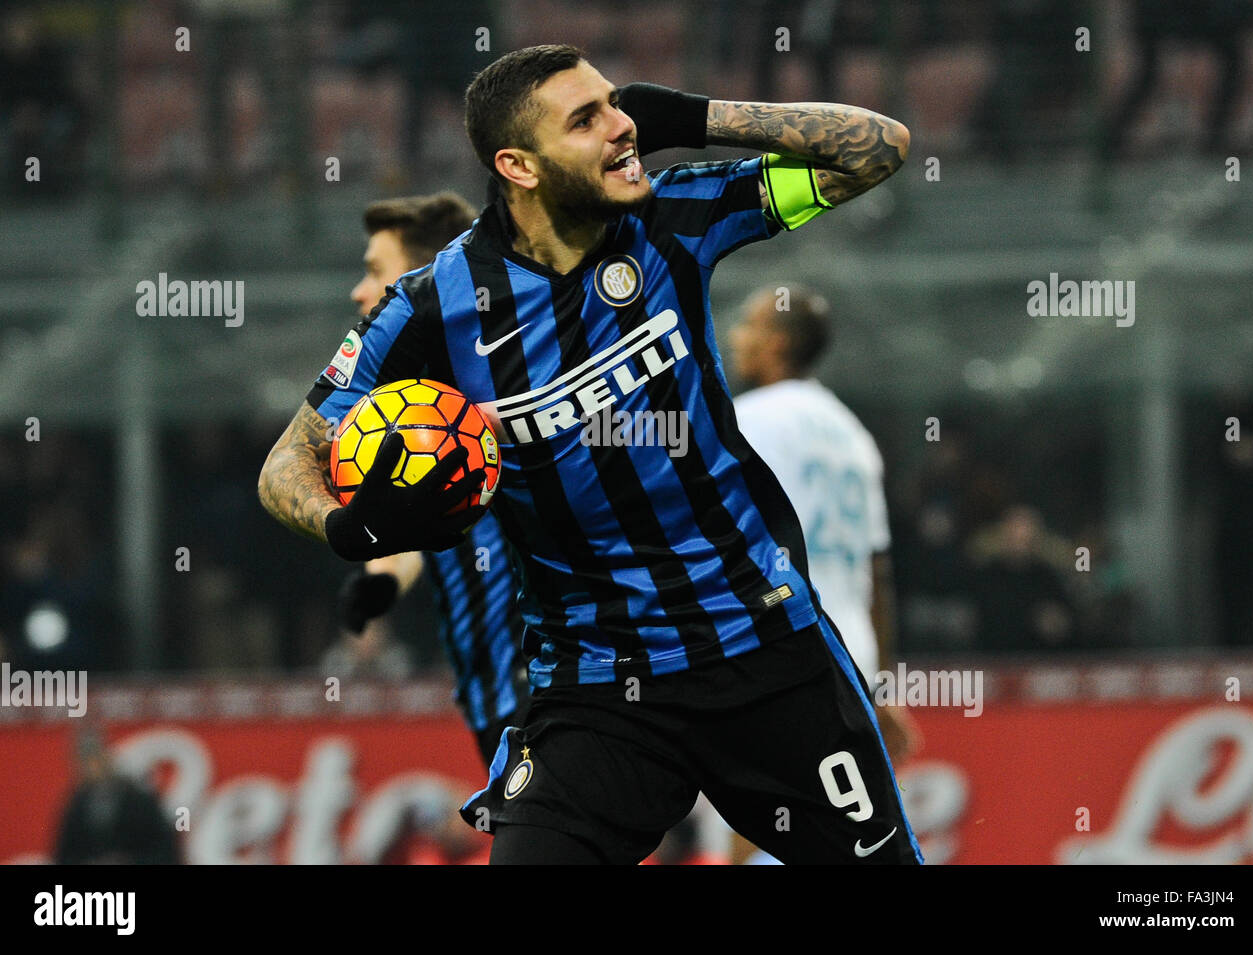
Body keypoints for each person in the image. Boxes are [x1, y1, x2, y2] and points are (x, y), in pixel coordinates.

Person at [259, 44, 917, 865]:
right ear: (517, 165)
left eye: (617, 104)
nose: (622, 127)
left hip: (766, 652)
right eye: (586, 119)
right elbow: (288, 459)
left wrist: (699, 117)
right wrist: (350, 529)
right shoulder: (432, 307)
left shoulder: (675, 216)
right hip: (600, 688)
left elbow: (879, 147)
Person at [333, 193, 530, 767]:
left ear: (425, 278)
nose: (359, 291)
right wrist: (385, 577)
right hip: (489, 688)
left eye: (375, 271)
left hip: (540, 679)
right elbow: (430, 517)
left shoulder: (501, 379)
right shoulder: (415, 404)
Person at [729, 285, 919, 761]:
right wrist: (881, 683)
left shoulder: (749, 420)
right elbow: (879, 574)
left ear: (776, 343)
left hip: (774, 641)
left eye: (749, 325)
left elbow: (724, 543)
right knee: (817, 819)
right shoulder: (853, 433)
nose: (735, 336)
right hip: (849, 651)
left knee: (763, 814)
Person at [53, 729, 180, 865]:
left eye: (95, 759)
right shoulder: (77, 806)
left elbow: (165, 848)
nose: (91, 767)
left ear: (107, 757)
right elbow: (64, 854)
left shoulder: (137, 799)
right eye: (84, 761)